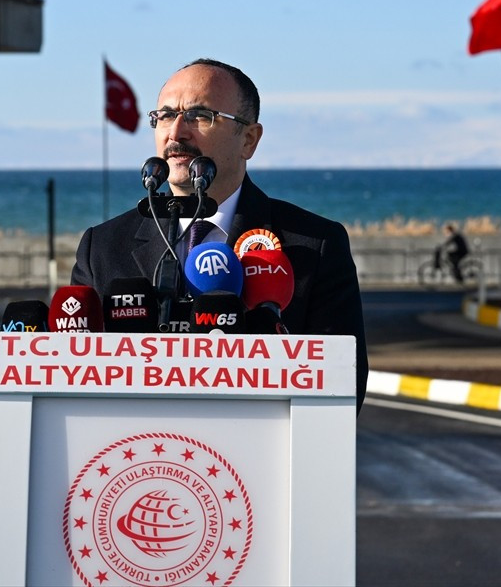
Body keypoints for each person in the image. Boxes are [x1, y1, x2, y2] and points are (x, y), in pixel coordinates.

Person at [71, 59, 369, 410]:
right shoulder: (102, 247)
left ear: (248, 139)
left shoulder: (314, 245)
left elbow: (343, 390)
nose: (176, 132)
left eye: (199, 115)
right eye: (165, 115)